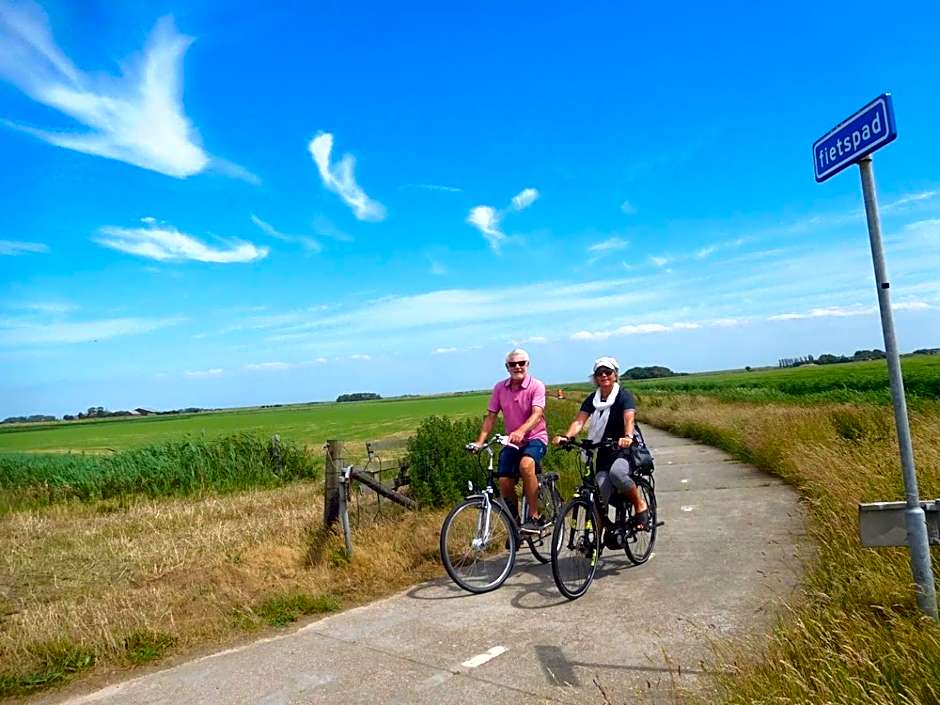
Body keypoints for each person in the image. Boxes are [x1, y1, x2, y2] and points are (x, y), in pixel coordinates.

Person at [552, 356, 650, 529]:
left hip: (623, 449)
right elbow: (579, 421)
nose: (604, 375)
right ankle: (599, 533)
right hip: (603, 450)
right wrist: (567, 437)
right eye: (599, 373)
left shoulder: (623, 396)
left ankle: (639, 505)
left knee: (617, 474)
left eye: (608, 372)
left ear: (615, 375)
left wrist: (627, 437)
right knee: (600, 488)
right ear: (595, 377)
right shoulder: (593, 399)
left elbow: (629, 419)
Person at [471, 348, 549, 533]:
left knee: (526, 466)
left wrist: (521, 431)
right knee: (504, 480)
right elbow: (491, 416)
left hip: (535, 438)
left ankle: (534, 516)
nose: (517, 367)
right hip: (512, 441)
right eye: (513, 364)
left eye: (521, 363)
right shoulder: (500, 388)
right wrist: (480, 441)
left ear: (527, 365)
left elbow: (537, 414)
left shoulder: (536, 386)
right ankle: (515, 524)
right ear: (507, 367)